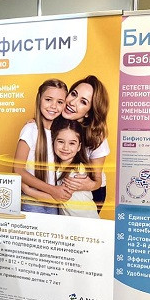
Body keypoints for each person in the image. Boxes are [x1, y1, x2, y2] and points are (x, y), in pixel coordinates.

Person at [13, 79, 69, 214]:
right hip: (32, 200)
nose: (54, 106)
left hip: (53, 201)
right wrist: (52, 190)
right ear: (39, 99)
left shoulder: (60, 133)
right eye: (48, 100)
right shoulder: (30, 129)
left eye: (60, 102)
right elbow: (17, 170)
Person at [60, 75, 110, 212]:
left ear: (88, 113)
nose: (72, 102)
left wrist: (85, 185)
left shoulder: (96, 136)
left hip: (92, 191)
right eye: (73, 94)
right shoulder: (56, 121)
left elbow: (97, 181)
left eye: (83, 102)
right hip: (63, 186)